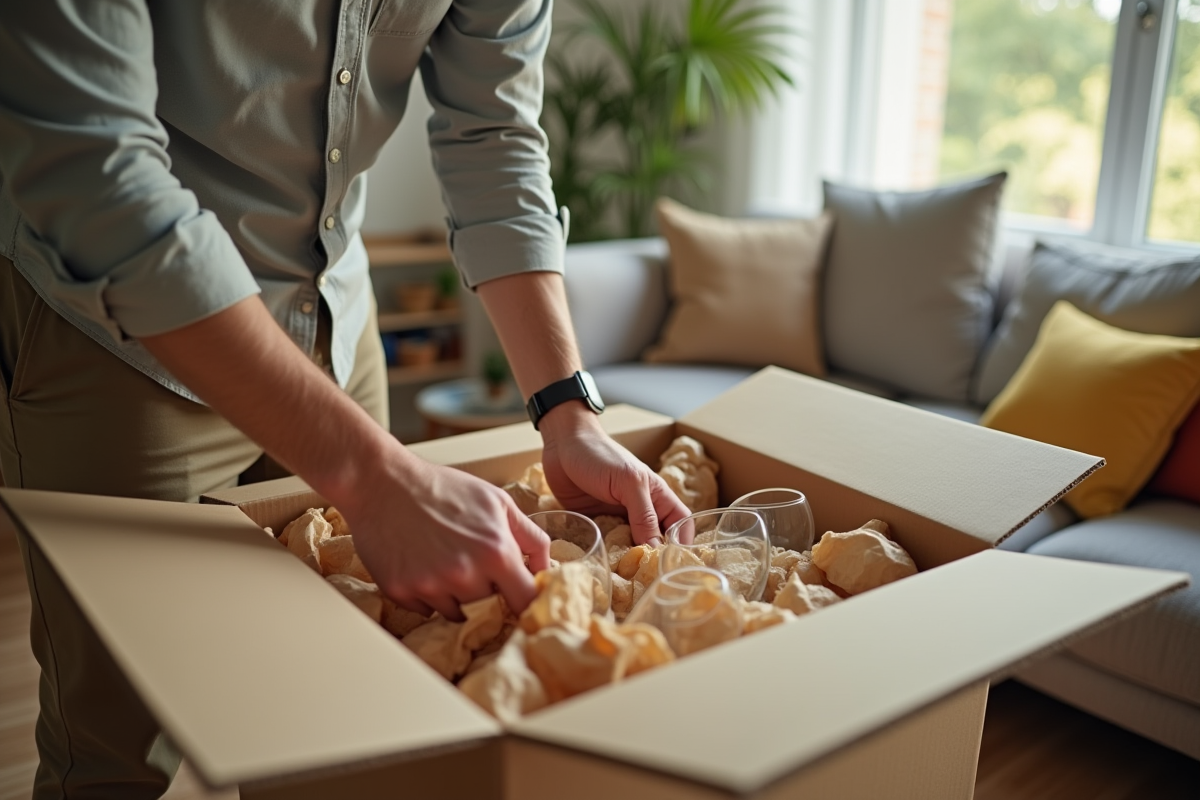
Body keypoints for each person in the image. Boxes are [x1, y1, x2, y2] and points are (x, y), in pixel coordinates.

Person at [0, 1, 690, 797]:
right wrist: (374, 477)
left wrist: (568, 409)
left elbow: (494, 135)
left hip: (335, 314)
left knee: (339, 710)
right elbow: (96, 174)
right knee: (117, 749)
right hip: (120, 347)